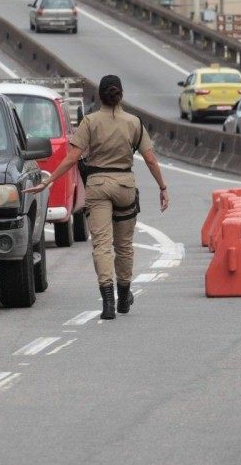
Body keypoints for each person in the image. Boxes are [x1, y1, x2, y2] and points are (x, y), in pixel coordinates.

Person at [25, 74, 169, 319]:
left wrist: (48, 180)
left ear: (99, 97)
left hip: (98, 186)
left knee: (102, 244)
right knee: (124, 246)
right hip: (125, 186)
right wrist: (162, 187)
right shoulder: (134, 123)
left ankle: (108, 304)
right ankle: (124, 297)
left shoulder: (89, 122)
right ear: (121, 94)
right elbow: (150, 159)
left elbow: (71, 158)